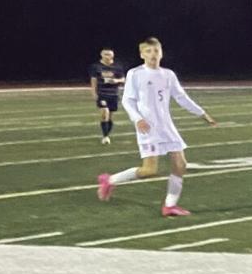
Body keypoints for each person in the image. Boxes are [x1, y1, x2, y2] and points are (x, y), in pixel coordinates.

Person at [96, 37, 217, 216]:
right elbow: (128, 100)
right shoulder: (135, 74)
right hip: (148, 128)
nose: (153, 54)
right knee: (150, 170)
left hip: (167, 126)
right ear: (142, 54)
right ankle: (110, 180)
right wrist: (137, 119)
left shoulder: (168, 75)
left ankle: (169, 206)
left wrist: (201, 113)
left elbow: (181, 97)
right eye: (149, 51)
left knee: (180, 165)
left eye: (156, 51)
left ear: (161, 53)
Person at [89, 47, 127, 144]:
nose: (107, 56)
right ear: (101, 55)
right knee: (104, 113)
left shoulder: (117, 67)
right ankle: (105, 136)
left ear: (112, 55)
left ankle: (107, 134)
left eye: (109, 54)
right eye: (105, 54)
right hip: (102, 93)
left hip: (113, 94)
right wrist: (94, 92)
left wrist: (116, 81)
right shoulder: (96, 66)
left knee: (110, 116)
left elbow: (123, 79)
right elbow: (94, 80)